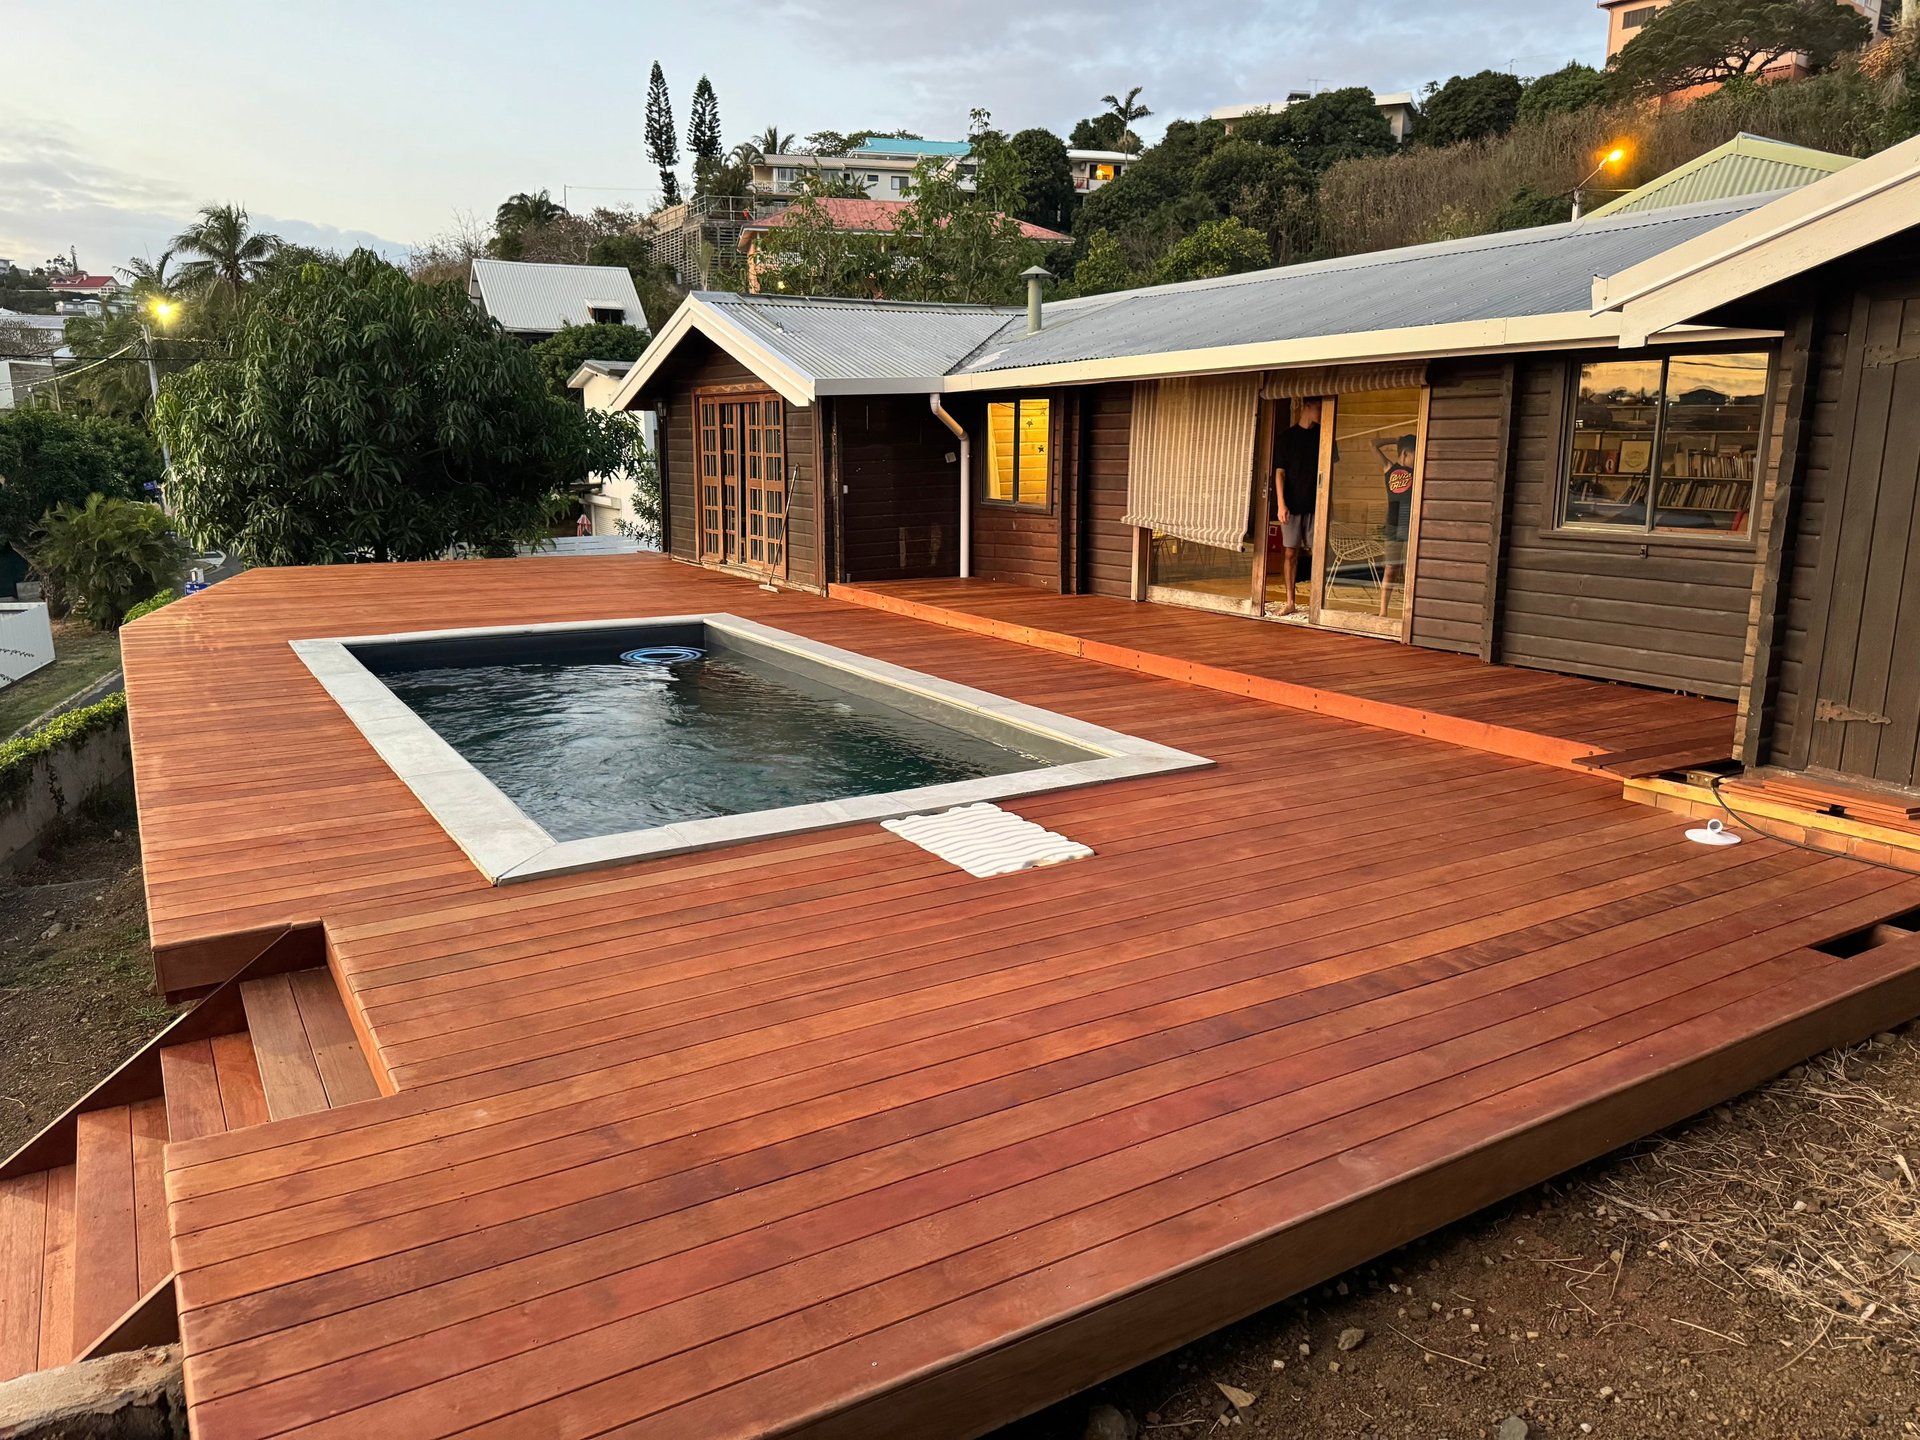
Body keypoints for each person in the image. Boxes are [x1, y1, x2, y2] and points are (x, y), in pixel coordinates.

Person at [1270, 397, 1322, 617]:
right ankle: (1290, 601)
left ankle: (1317, 604)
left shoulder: (1323, 435)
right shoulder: (1287, 438)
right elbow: (1279, 473)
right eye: (1319, 408)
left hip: (1315, 505)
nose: (1321, 412)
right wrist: (1281, 504)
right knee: (1291, 552)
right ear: (1307, 407)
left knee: (1317, 552)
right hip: (1292, 505)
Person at [1375, 432, 1417, 617]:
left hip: (1411, 524)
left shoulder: (1418, 471)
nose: (1417, 459)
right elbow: (1372, 443)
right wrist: (1396, 439)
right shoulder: (1389, 468)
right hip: (1392, 525)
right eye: (1414, 455)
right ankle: (1383, 612)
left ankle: (1408, 614)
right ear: (1406, 453)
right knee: (1390, 569)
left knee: (1410, 570)